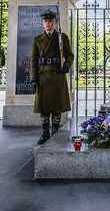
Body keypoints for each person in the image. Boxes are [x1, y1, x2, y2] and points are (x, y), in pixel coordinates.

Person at [31, 9, 73, 144]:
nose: (47, 23)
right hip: (43, 75)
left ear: (54, 23)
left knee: (56, 106)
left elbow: (70, 55)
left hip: (57, 75)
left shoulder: (62, 37)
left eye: (50, 21)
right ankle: (45, 133)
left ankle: (55, 131)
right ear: (42, 23)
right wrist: (33, 78)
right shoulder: (38, 39)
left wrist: (66, 66)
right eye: (45, 21)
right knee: (44, 107)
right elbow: (33, 60)